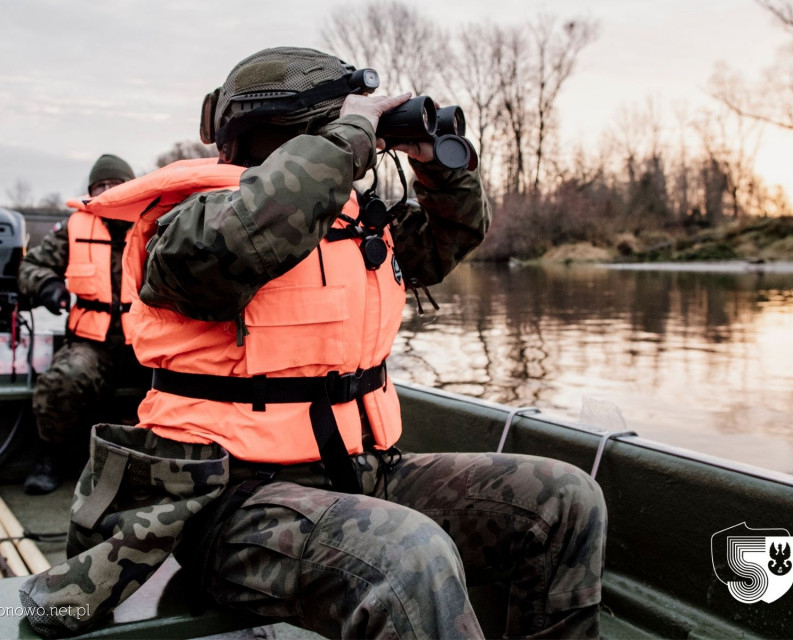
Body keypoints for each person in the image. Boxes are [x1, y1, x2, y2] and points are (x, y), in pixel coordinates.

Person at [60, 48, 606, 637]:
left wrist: (439, 166)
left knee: (564, 500)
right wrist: (350, 136)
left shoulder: (354, 223)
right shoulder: (186, 225)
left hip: (360, 474)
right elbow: (246, 235)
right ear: (286, 135)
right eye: (333, 128)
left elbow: (452, 237)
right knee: (407, 558)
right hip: (225, 503)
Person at [17, 154, 148, 494]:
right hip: (92, 345)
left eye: (115, 184)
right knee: (62, 379)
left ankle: (158, 464)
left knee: (187, 383)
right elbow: (31, 266)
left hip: (147, 346)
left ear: (132, 188)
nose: (107, 191)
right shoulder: (74, 226)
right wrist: (48, 286)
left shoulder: (158, 224)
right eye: (99, 186)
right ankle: (52, 455)